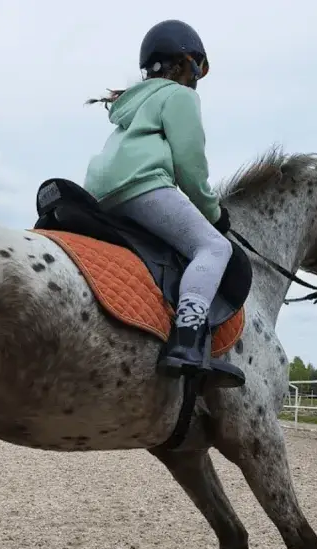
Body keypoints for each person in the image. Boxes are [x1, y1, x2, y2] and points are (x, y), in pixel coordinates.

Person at [82, 19, 242, 387]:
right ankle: (187, 339)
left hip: (98, 193)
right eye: (198, 69)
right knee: (215, 248)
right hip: (142, 186)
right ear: (186, 62)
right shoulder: (180, 96)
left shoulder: (131, 105)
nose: (197, 79)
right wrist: (213, 212)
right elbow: (190, 163)